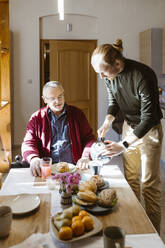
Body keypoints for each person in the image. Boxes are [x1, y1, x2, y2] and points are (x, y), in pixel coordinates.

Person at [91, 39, 163, 233]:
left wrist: (123, 144)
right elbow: (113, 101)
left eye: (103, 72)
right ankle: (134, 226)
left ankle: (152, 234)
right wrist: (107, 121)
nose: (101, 76)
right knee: (130, 179)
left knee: (149, 185)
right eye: (98, 73)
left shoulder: (143, 75)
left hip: (149, 131)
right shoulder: (108, 76)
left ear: (117, 64)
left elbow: (148, 118)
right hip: (128, 127)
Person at [22, 81, 96, 177]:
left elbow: (89, 139)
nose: (58, 101)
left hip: (74, 169)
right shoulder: (36, 118)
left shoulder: (77, 114)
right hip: (47, 170)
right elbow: (28, 143)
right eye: (52, 98)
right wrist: (34, 158)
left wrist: (86, 156)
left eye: (60, 96)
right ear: (44, 99)